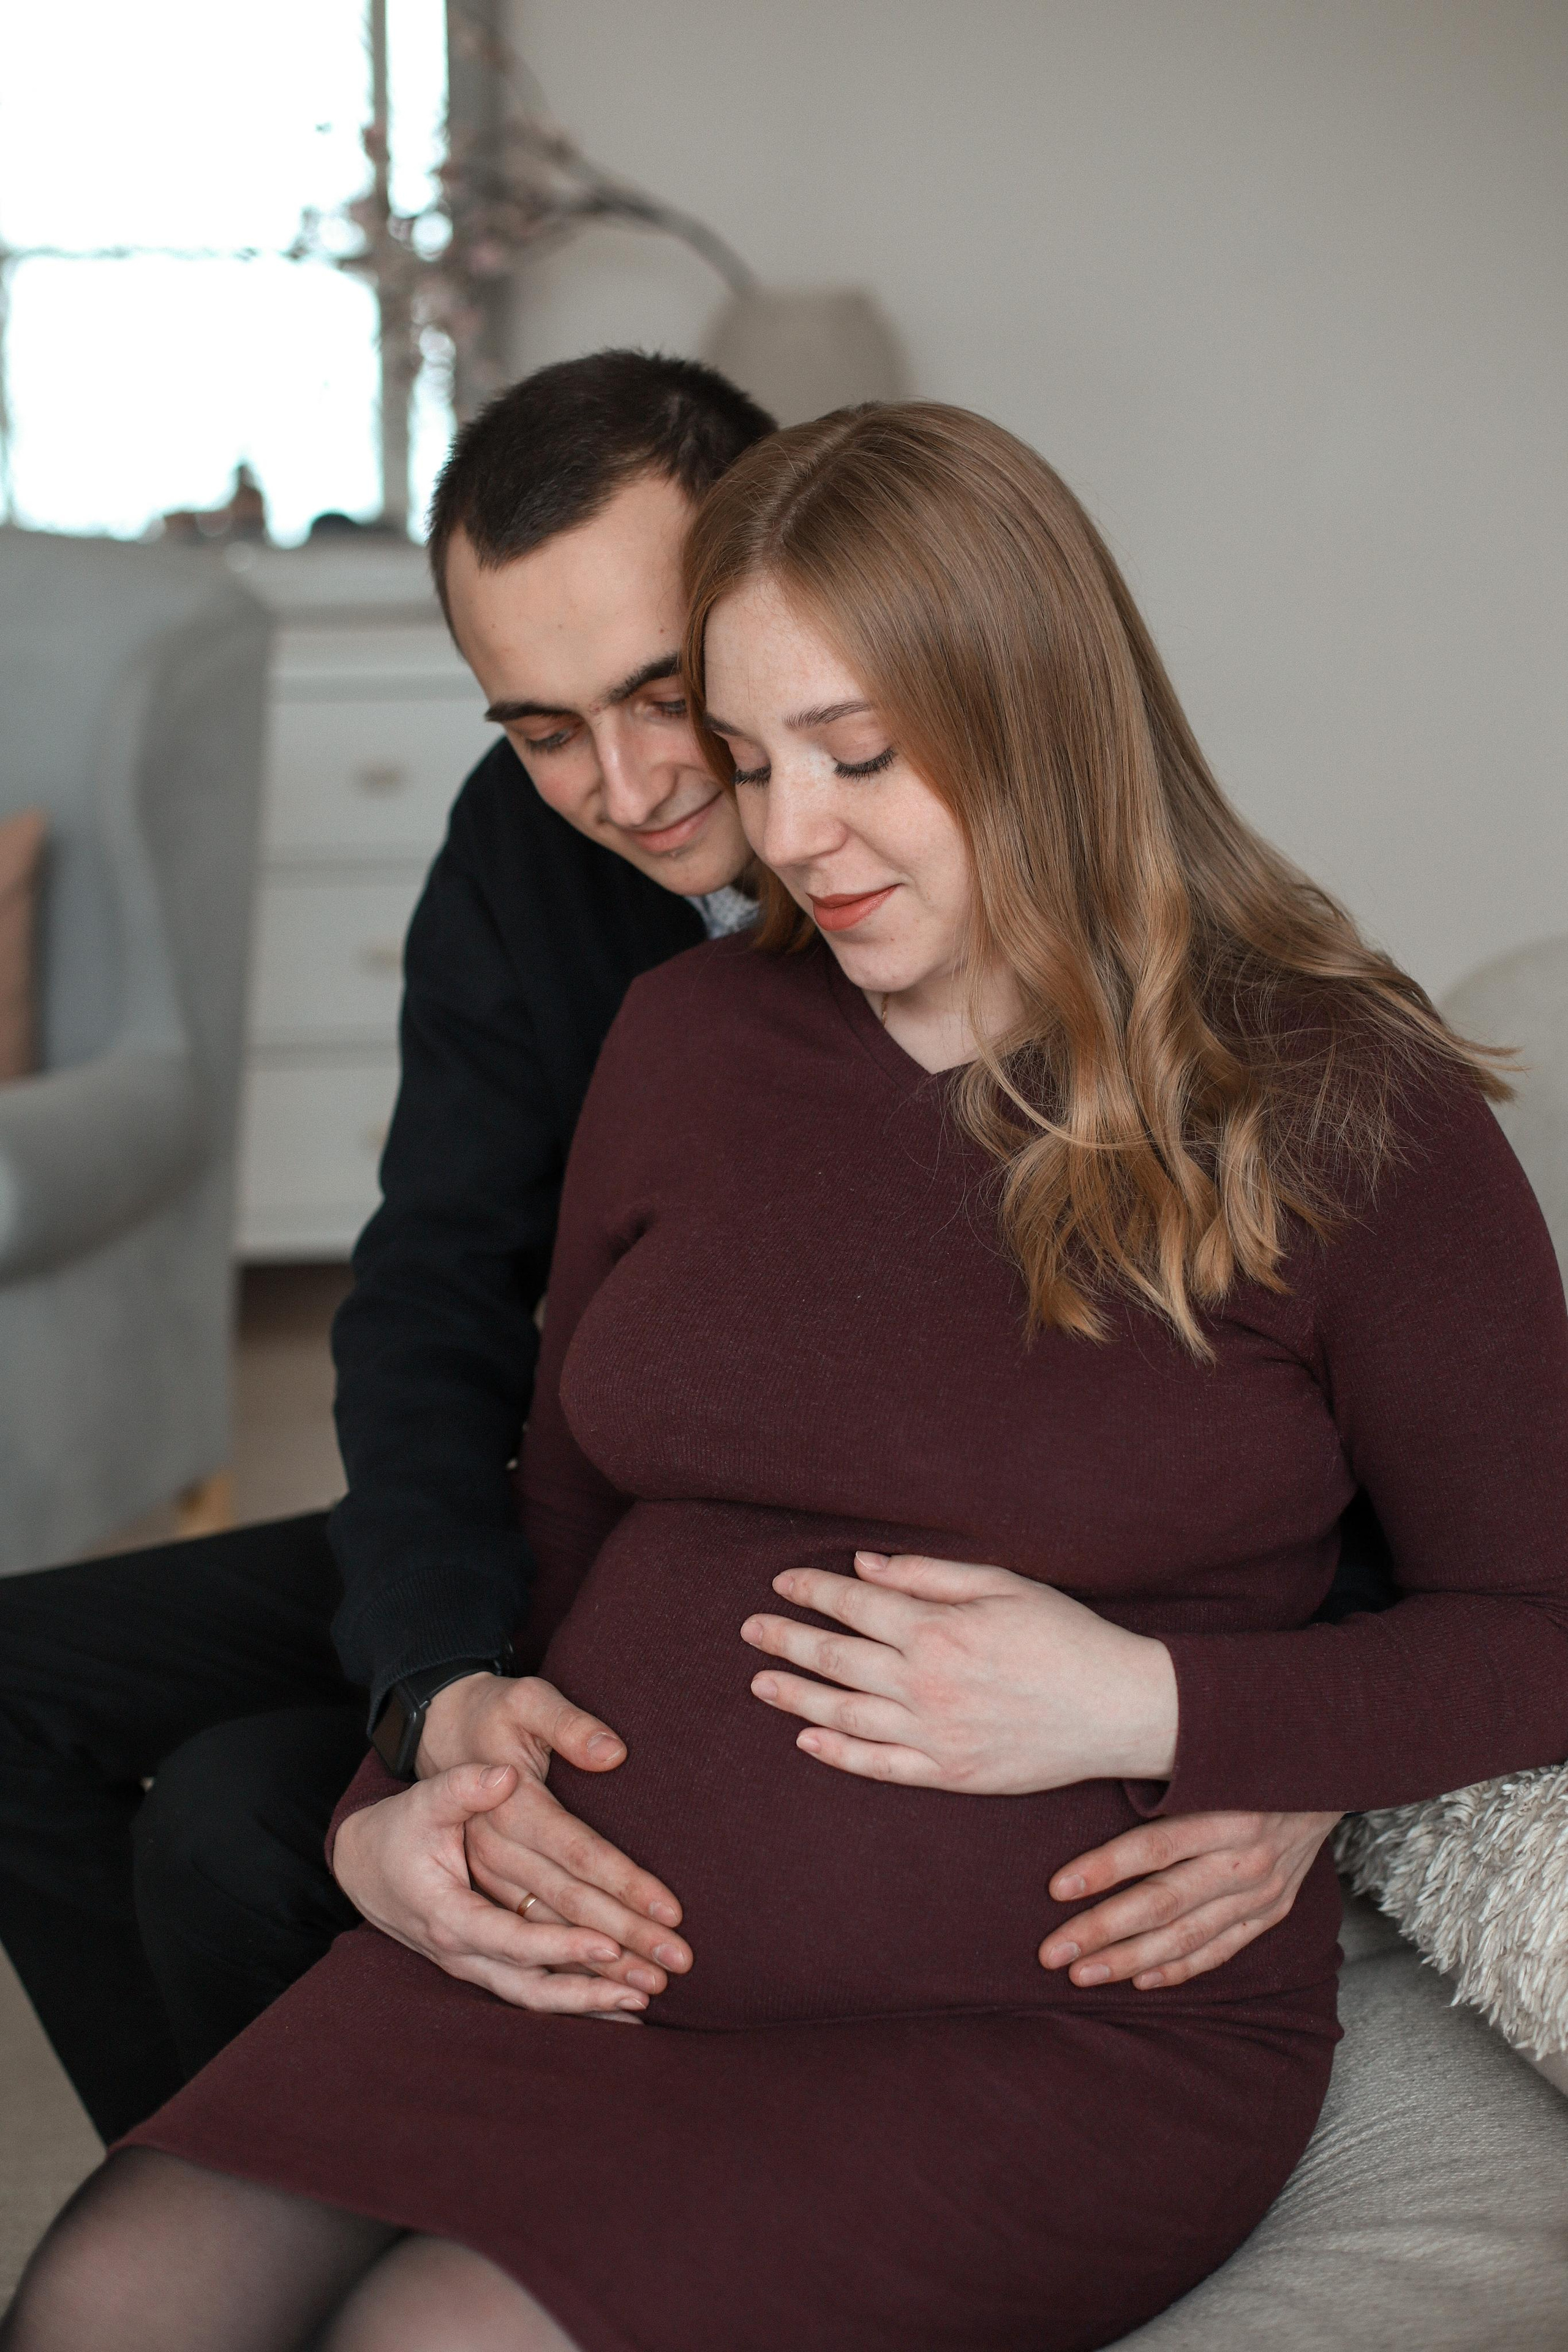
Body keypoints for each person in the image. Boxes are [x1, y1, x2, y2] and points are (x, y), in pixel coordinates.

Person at [7, 401, 1566, 2352]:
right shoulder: (683, 1038)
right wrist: (399, 1792)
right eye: (751, 761)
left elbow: (1534, 1618)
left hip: (1027, 2031)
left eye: (858, 754)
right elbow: (559, 1517)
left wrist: (1168, 1702)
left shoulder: (1344, 1103)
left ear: (1039, 710)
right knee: (103, 2300)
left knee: (434, 2343)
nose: (781, 834)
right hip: (575, 1963)